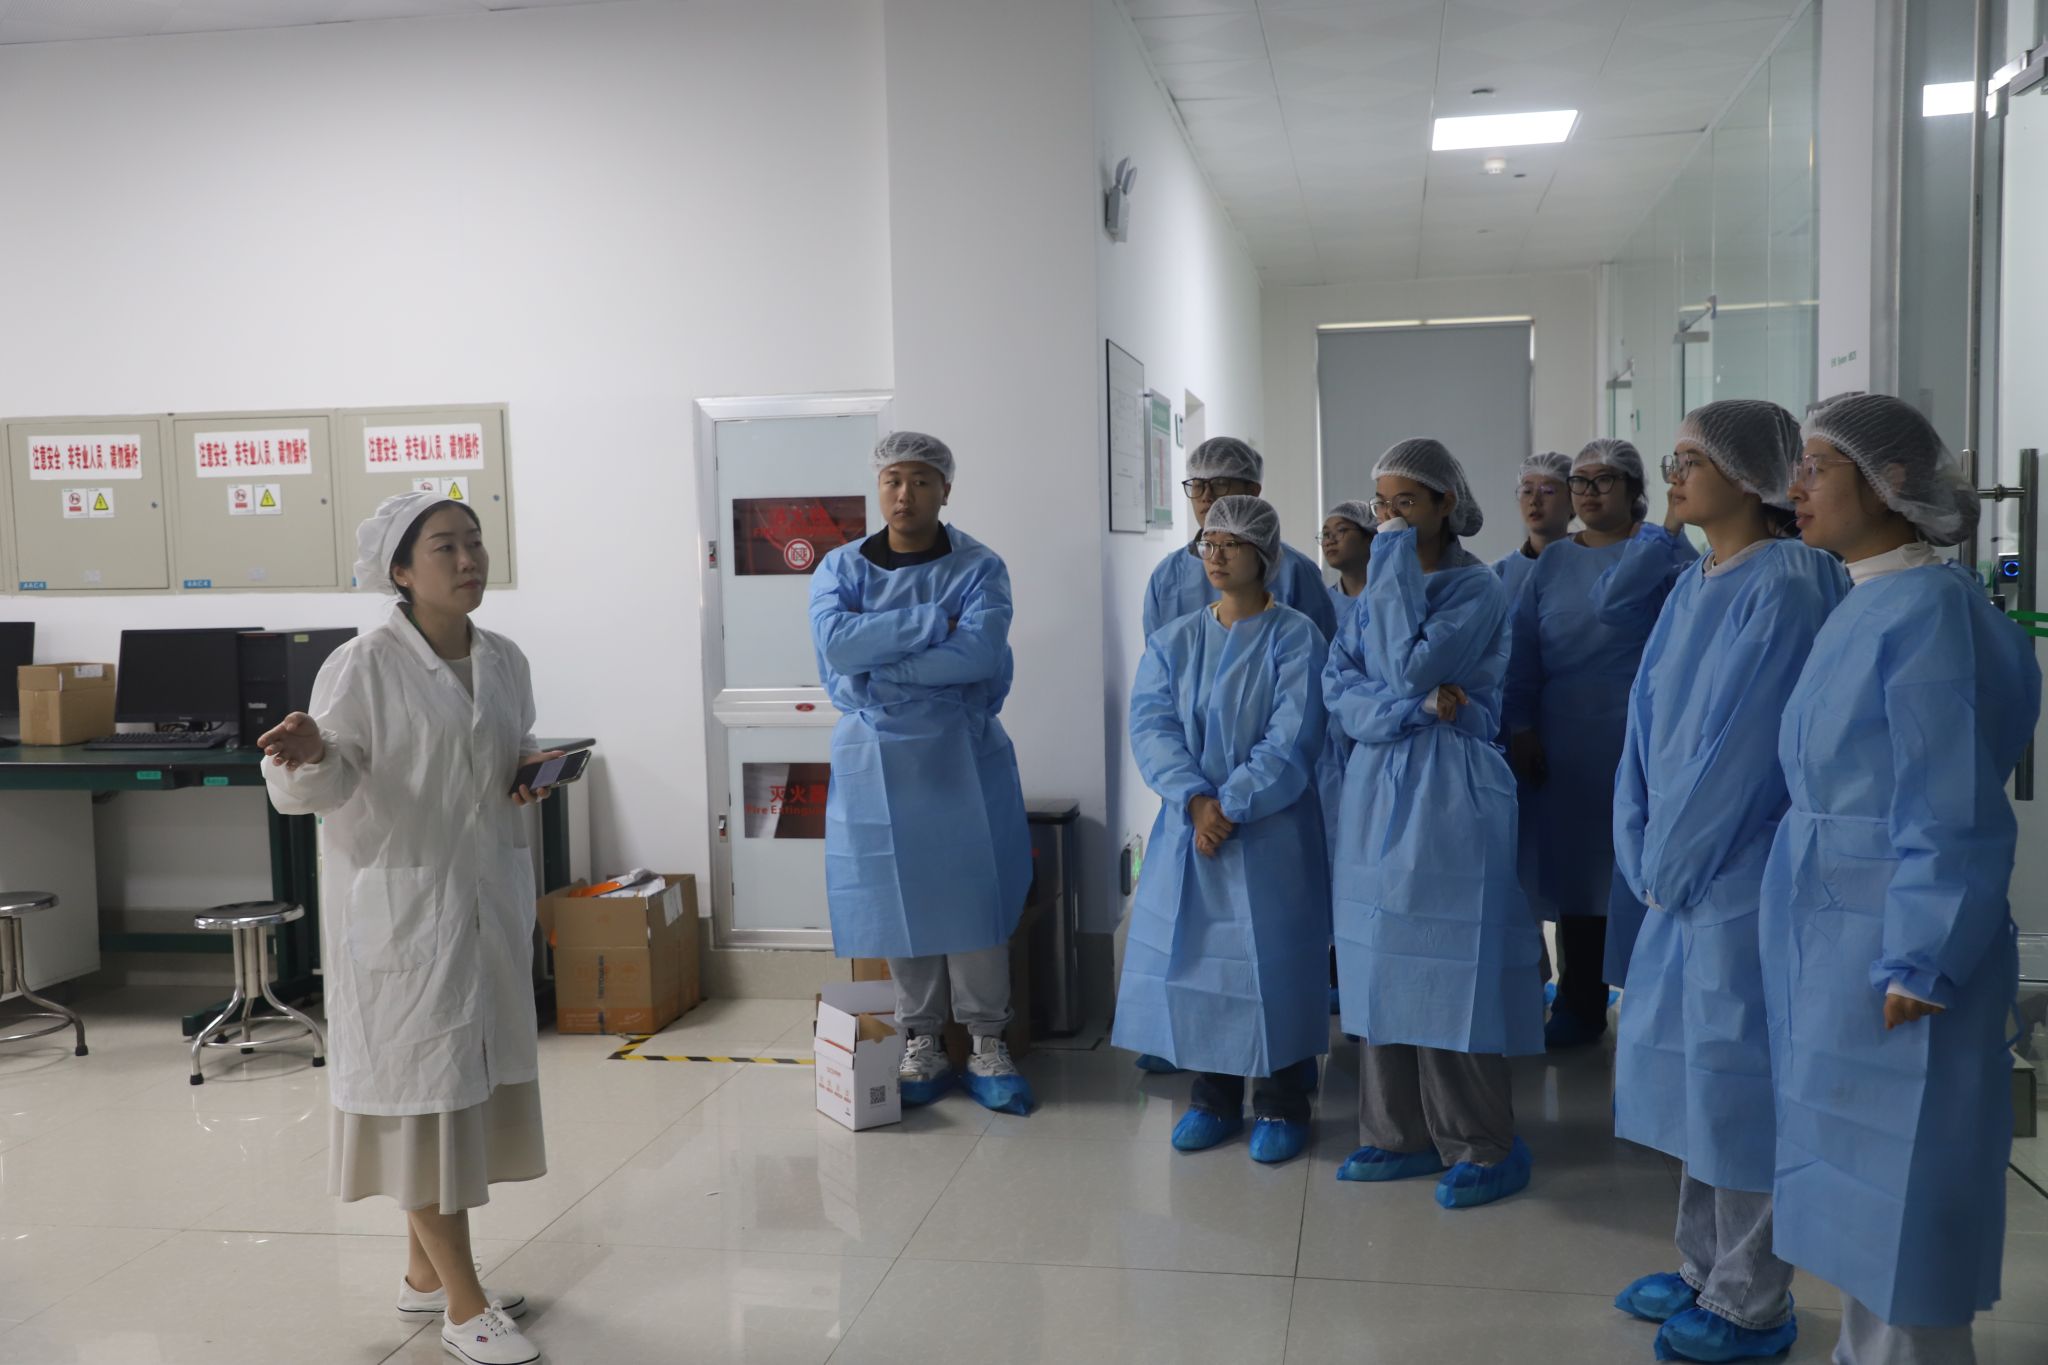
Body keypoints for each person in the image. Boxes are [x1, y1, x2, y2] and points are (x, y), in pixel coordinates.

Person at [1764, 392, 2038, 1365]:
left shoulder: (1928, 611)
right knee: (1857, 1188)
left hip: (1900, 945)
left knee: (1907, 1197)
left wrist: (1921, 955)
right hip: (1841, 929)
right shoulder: (1869, 599)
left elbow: (1949, 803)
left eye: (1816, 467)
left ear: (1890, 482)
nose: (1793, 487)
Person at [260, 491, 553, 1365]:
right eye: (445, 547)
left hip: (481, 899)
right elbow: (321, 783)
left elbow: (497, 752)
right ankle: (465, 1304)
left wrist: (528, 768)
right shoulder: (361, 665)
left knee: (458, 1091)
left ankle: (425, 1277)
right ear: (398, 570)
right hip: (402, 912)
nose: (469, 560)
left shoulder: (504, 658)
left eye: (475, 543)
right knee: (421, 1100)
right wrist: (312, 753)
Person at [1607, 400, 1849, 1364]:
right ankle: (1703, 1264)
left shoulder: (1786, 584)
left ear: (1751, 476)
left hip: (1742, 873)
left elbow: (1742, 756)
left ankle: (1753, 1298)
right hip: (1679, 877)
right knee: (1697, 1077)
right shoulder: (1694, 581)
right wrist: (1640, 845)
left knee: (1742, 1085)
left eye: (1690, 461)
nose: (1672, 476)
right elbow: (1643, 728)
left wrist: (1670, 861)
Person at [1324, 438, 1542, 1210]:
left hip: (1451, 785)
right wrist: (1413, 709)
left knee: (1449, 963)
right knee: (1379, 958)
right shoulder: (1371, 594)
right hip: (1376, 784)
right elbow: (1340, 686)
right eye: (1380, 505)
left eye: (1406, 503)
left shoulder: (1475, 589)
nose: (1388, 519)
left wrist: (1408, 692)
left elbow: (1404, 663)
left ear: (1447, 503)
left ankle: (1482, 1140)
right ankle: (1396, 1132)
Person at [809, 431, 1036, 1116]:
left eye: (921, 480)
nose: (904, 493)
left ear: (945, 489)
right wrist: (934, 620)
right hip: (875, 759)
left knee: (973, 899)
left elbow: (978, 655)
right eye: (893, 479)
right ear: (878, 487)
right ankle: (921, 1040)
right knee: (896, 899)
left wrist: (881, 664)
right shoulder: (842, 568)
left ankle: (988, 1040)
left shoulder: (980, 566)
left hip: (959, 755)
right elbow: (836, 646)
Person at [1116, 496, 1330, 1165]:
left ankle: (1284, 1100)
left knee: (1275, 963)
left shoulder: (1296, 637)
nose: (1215, 554)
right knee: (1202, 962)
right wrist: (1193, 800)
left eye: (1231, 543)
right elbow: (1152, 727)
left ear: (1264, 555)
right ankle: (1212, 1096)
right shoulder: (1174, 641)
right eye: (1208, 542)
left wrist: (1231, 804)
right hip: (1192, 832)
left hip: (1270, 833)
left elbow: (1293, 734)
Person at [1505, 438, 1698, 1048]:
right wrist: (1522, 725)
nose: (1589, 492)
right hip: (1566, 737)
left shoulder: (1668, 553)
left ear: (1635, 488)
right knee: (1578, 877)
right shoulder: (1554, 562)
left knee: (1640, 868)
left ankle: (1651, 1006)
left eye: (1604, 480)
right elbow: (1523, 652)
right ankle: (1579, 999)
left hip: (1641, 734)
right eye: (1580, 482)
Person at [1143, 436, 1338, 641]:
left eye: (1220, 483)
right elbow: (1156, 653)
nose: (1206, 496)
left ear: (1252, 491)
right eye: (1198, 485)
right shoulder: (1167, 575)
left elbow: (1322, 648)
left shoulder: (1296, 571)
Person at [1493, 451, 1573, 604]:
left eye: (1548, 491)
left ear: (1573, 502)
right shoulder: (1499, 574)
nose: (1534, 501)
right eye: (1527, 491)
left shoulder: (1593, 566)